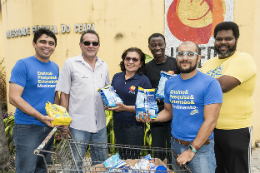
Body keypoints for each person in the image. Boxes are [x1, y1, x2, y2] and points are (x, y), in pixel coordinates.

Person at [138, 41, 223, 173]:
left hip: (200, 149)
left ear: (198, 58)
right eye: (181, 54)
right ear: (176, 57)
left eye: (190, 54)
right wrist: (150, 118)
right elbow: (168, 112)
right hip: (176, 146)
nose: (185, 58)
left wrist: (192, 150)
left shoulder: (210, 83)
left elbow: (211, 121)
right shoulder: (170, 83)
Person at [201, 21, 257, 173]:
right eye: (219, 39)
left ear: (236, 40)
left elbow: (223, 85)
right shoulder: (209, 63)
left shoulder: (244, 59)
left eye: (228, 38)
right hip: (211, 129)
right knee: (217, 169)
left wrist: (196, 86)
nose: (223, 42)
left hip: (236, 129)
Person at [55, 29, 110, 165]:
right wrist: (63, 122)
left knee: (101, 163)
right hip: (77, 124)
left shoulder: (104, 65)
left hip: (100, 124)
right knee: (76, 162)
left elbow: (107, 90)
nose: (91, 45)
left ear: (98, 46)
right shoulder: (70, 63)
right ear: (80, 45)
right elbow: (64, 95)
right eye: (87, 42)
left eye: (94, 43)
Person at [9, 28, 59, 173]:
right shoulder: (23, 65)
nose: (47, 46)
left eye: (51, 43)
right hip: (27, 127)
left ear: (54, 47)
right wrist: (40, 116)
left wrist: (58, 117)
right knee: (27, 169)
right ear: (34, 44)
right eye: (42, 41)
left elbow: (54, 95)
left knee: (42, 167)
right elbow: (13, 97)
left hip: (48, 126)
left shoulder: (55, 67)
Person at [108, 47, 152, 159]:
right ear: (124, 60)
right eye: (128, 58)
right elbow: (113, 96)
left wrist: (125, 108)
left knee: (132, 158)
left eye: (135, 59)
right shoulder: (117, 77)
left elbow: (148, 107)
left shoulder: (144, 80)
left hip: (134, 126)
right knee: (122, 157)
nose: (130, 62)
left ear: (141, 63)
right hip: (118, 124)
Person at [146, 33, 179, 160]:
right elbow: (145, 88)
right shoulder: (147, 67)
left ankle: (172, 168)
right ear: (149, 47)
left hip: (174, 112)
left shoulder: (175, 64)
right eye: (153, 45)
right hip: (156, 112)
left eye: (160, 44)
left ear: (165, 45)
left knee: (173, 148)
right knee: (158, 149)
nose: (157, 47)